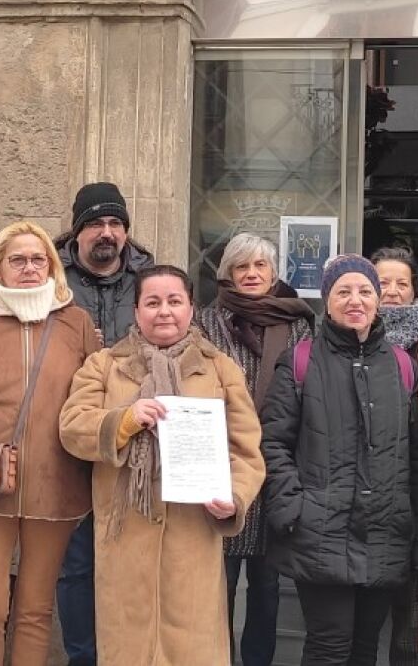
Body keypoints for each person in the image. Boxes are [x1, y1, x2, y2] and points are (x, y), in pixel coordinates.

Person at [59, 264, 266, 666]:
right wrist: (124, 420)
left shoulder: (220, 368)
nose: (164, 311)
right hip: (124, 540)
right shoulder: (104, 365)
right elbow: (72, 427)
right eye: (153, 303)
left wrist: (234, 497)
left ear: (191, 308)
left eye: (175, 301)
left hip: (193, 538)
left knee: (192, 650)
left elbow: (246, 450)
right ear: (137, 311)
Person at [0, 221, 101, 666]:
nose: (29, 267)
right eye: (18, 260)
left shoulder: (76, 323)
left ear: (51, 266)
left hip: (57, 483)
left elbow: (92, 401)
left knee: (35, 611)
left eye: (38, 259)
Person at [258, 255, 418, 666]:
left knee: (364, 648)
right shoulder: (300, 361)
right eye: (343, 292)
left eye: (365, 291)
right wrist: (292, 509)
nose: (355, 300)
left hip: (386, 530)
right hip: (320, 530)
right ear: (327, 300)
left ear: (377, 301)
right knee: (329, 646)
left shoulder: (403, 366)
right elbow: (273, 443)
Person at [190, 232, 311, 666]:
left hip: (276, 466)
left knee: (267, 586)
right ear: (228, 273)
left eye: (260, 265)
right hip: (223, 466)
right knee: (217, 585)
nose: (252, 274)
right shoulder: (206, 322)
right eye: (242, 266)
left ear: (274, 272)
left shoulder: (298, 324)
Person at [54, 181, 155, 665]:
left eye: (115, 223)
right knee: (75, 567)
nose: (107, 232)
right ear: (77, 231)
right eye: (95, 223)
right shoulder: (50, 278)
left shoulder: (148, 279)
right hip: (68, 442)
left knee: (130, 564)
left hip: (135, 443)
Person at [369, 245, 418, 666]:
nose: (392, 291)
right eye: (382, 283)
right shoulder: (346, 339)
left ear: (415, 290)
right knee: (360, 625)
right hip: (367, 498)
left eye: (401, 283)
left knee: (413, 626)